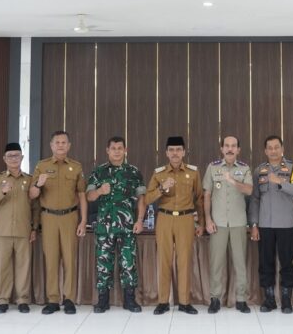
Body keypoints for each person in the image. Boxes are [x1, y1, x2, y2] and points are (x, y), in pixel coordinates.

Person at [145, 136, 205, 315]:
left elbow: (200, 199)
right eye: (171, 150)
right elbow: (147, 198)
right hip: (164, 218)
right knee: (164, 260)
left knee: (184, 260)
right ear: (166, 153)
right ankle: (163, 301)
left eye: (178, 149)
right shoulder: (159, 173)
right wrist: (162, 188)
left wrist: (200, 223)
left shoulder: (193, 172)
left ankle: (185, 302)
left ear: (184, 152)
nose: (175, 153)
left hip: (186, 219)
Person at [29, 130, 87, 314]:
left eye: (64, 142)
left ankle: (69, 299)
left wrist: (83, 220)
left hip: (70, 217)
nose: (61, 145)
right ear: (51, 145)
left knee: (70, 259)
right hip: (49, 218)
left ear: (69, 146)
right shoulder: (42, 165)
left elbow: (82, 195)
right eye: (57, 142)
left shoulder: (76, 167)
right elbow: (32, 195)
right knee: (51, 259)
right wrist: (39, 183)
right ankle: (52, 299)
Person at [86, 136, 146, 313]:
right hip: (104, 227)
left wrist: (140, 220)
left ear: (125, 150)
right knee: (103, 263)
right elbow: (89, 197)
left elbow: (142, 198)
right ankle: (102, 301)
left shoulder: (134, 172)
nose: (117, 151)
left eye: (120, 148)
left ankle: (130, 300)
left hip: (127, 226)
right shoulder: (99, 172)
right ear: (107, 150)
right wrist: (99, 191)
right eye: (113, 148)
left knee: (128, 263)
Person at [249, 135, 293, 314]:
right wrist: (254, 224)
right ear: (265, 151)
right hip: (265, 224)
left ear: (282, 149)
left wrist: (281, 182)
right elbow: (255, 199)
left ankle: (286, 298)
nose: (273, 151)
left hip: (286, 224)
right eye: (269, 148)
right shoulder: (259, 170)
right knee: (266, 263)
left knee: (287, 263)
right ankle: (269, 298)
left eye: (276, 147)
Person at [0, 143, 39, 314]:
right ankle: (3, 299)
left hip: (23, 230)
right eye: (10, 156)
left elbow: (35, 206)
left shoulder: (29, 179)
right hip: (2, 231)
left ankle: (22, 299)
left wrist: (34, 228)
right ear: (4, 159)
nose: (13, 159)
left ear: (22, 157)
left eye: (17, 155)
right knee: (3, 266)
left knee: (23, 266)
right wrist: (1, 192)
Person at [203, 136, 252, 314]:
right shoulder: (213, 167)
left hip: (238, 222)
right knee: (216, 263)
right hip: (218, 223)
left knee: (240, 263)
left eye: (233, 146)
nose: (230, 149)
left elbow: (249, 190)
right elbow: (207, 195)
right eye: (227, 146)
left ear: (238, 149)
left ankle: (241, 300)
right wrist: (208, 220)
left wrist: (233, 182)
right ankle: (215, 298)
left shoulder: (244, 168)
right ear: (222, 149)